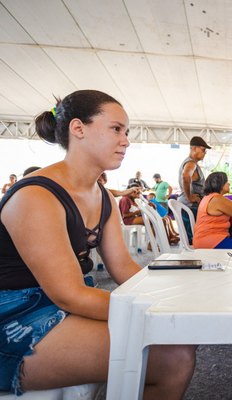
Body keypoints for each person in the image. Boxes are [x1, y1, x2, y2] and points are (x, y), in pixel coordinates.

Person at [0, 90, 195, 398]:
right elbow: (70, 294)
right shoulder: (36, 195)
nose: (126, 140)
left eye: (126, 131)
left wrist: (174, 297)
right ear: (78, 129)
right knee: (173, 357)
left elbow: (124, 268)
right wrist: (157, 310)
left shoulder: (101, 195)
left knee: (174, 342)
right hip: (16, 316)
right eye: (116, 129)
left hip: (55, 306)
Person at [192, 172, 232, 250]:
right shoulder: (217, 199)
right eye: (227, 182)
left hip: (208, 237)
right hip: (208, 239)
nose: (229, 184)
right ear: (220, 184)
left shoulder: (209, 197)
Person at [178, 136, 211, 241]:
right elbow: (186, 176)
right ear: (194, 148)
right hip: (191, 207)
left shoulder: (191, 163)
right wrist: (190, 197)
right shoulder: (191, 163)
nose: (205, 152)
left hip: (189, 206)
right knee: (194, 240)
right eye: (203, 149)